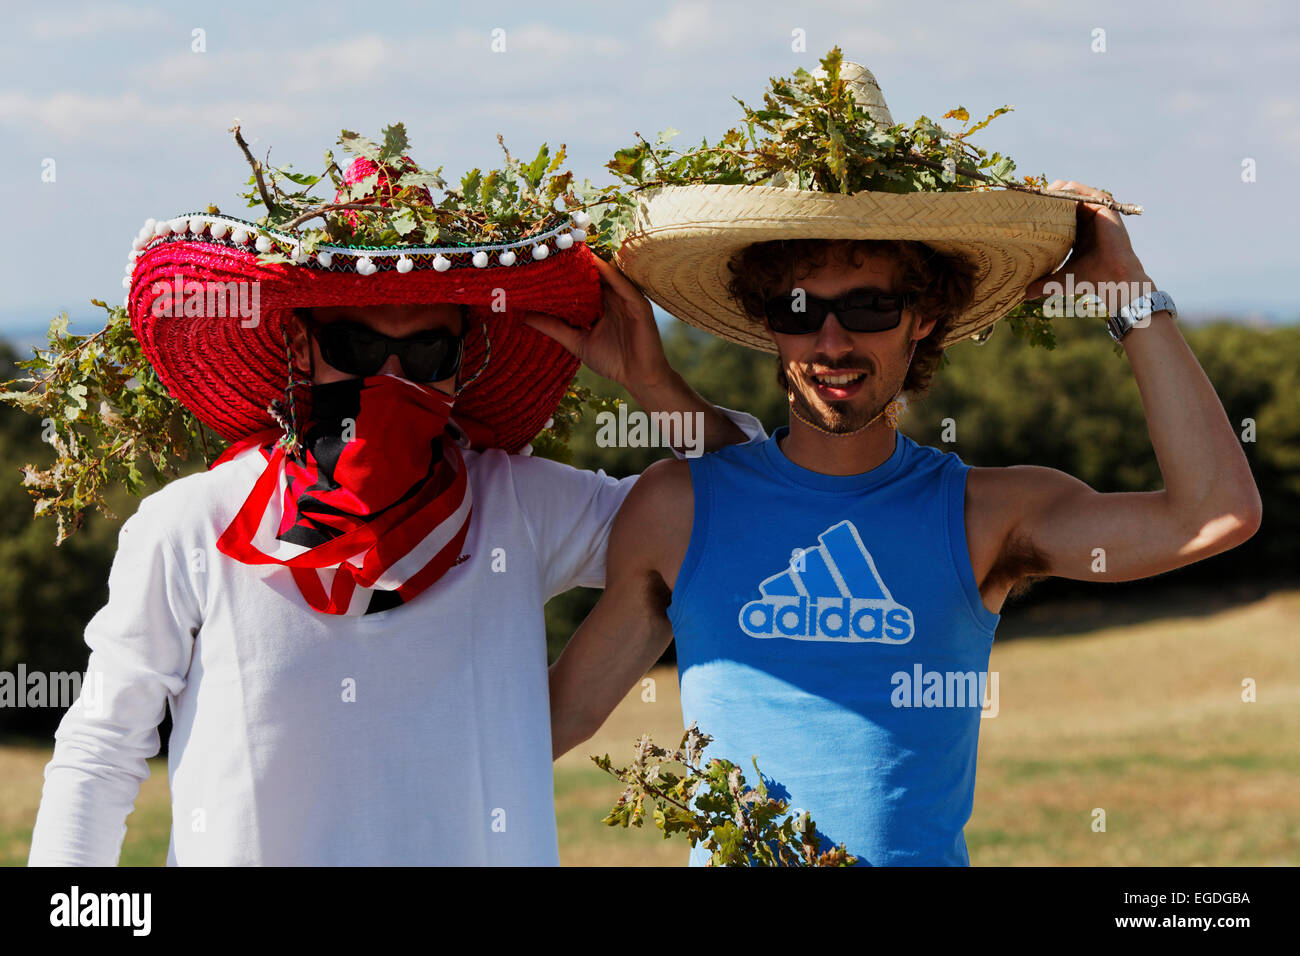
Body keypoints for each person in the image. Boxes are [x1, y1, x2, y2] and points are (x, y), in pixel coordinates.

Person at [548, 62, 1262, 865]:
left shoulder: (989, 516)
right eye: (798, 310)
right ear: (767, 323)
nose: (831, 341)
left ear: (923, 319)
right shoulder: (676, 509)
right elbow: (553, 723)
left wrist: (1130, 297)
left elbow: (1214, 516)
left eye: (870, 306)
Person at [27, 144, 761, 866]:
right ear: (297, 346)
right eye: (353, 343)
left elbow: (737, 506)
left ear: (463, 365)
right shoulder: (190, 525)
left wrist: (653, 387)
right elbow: (99, 749)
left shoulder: (522, 507)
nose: (387, 378)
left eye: (425, 356)